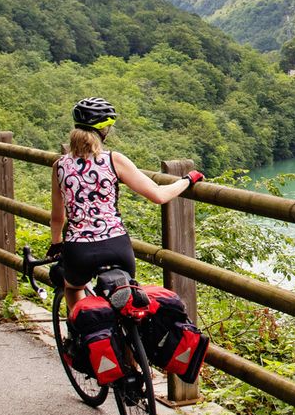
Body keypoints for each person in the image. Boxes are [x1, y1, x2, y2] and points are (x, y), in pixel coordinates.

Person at [50, 97, 203, 318]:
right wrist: (187, 180)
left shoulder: (60, 166)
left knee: (73, 287)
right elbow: (159, 195)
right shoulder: (114, 160)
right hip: (116, 245)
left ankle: (84, 332)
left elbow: (57, 217)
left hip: (78, 248)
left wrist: (56, 245)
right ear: (105, 131)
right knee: (126, 307)